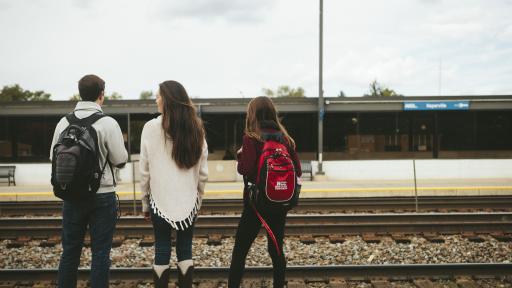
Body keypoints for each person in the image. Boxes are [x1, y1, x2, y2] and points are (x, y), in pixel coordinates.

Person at [50, 74, 128, 287]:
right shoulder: (108, 123)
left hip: (71, 194)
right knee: (101, 252)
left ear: (80, 94)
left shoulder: (63, 122)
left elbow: (53, 157)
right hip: (102, 195)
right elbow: (120, 159)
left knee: (70, 251)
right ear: (101, 95)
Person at [139, 80, 208, 288]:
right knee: (185, 250)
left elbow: (144, 171)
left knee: (161, 249)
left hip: (159, 200)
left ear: (167, 100)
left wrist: (145, 202)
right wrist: (198, 199)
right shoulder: (196, 128)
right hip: (188, 200)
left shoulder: (150, 128)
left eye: (158, 95)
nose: (155, 99)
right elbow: (203, 173)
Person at [228, 96, 301, 288]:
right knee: (276, 250)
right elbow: (298, 171)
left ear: (252, 114)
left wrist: (241, 155)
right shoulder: (285, 139)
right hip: (279, 203)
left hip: (255, 205)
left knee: (240, 251)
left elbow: (245, 169)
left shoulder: (251, 138)